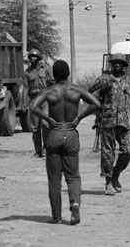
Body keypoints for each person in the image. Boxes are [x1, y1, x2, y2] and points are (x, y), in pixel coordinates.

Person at [29, 60, 101, 225]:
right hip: (70, 134)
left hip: (54, 133)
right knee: (73, 175)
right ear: (68, 73)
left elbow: (32, 106)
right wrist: (79, 117)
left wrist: (48, 119)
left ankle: (56, 217)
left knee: (54, 179)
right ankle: (74, 203)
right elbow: (96, 103)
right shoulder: (76, 90)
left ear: (53, 75)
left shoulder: (49, 91)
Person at [89, 53, 130, 196]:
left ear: (124, 65)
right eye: (114, 62)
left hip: (123, 123)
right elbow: (90, 93)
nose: (117, 65)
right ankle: (108, 183)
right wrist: (97, 107)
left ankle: (115, 175)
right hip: (107, 122)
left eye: (120, 63)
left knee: (128, 151)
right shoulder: (104, 79)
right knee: (107, 154)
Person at [24, 48, 54, 158]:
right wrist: (24, 103)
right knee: (35, 128)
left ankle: (46, 148)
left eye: (34, 57)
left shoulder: (46, 68)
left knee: (46, 125)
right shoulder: (27, 72)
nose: (32, 58)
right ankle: (38, 151)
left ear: (39, 58)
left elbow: (52, 82)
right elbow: (26, 88)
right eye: (30, 57)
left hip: (45, 99)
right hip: (33, 100)